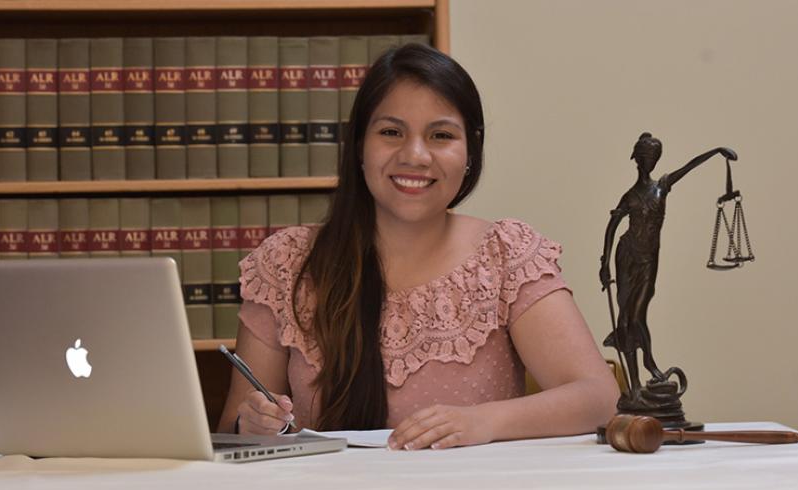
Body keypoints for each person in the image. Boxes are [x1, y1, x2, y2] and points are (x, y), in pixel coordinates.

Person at [218, 43, 618, 450]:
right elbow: (236, 424)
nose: (415, 155)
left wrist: (483, 421)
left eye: (440, 135)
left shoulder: (506, 254)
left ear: (470, 152)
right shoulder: (286, 263)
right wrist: (252, 422)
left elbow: (598, 399)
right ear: (359, 145)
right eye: (391, 132)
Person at [599, 132, 737, 399]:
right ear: (637, 160)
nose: (650, 162)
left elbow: (690, 166)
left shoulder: (662, 185)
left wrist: (717, 150)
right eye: (646, 157)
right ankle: (635, 383)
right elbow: (612, 227)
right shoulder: (629, 196)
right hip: (626, 256)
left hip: (649, 258)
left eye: (654, 158)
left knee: (638, 314)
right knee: (625, 319)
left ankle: (649, 361)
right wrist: (605, 263)